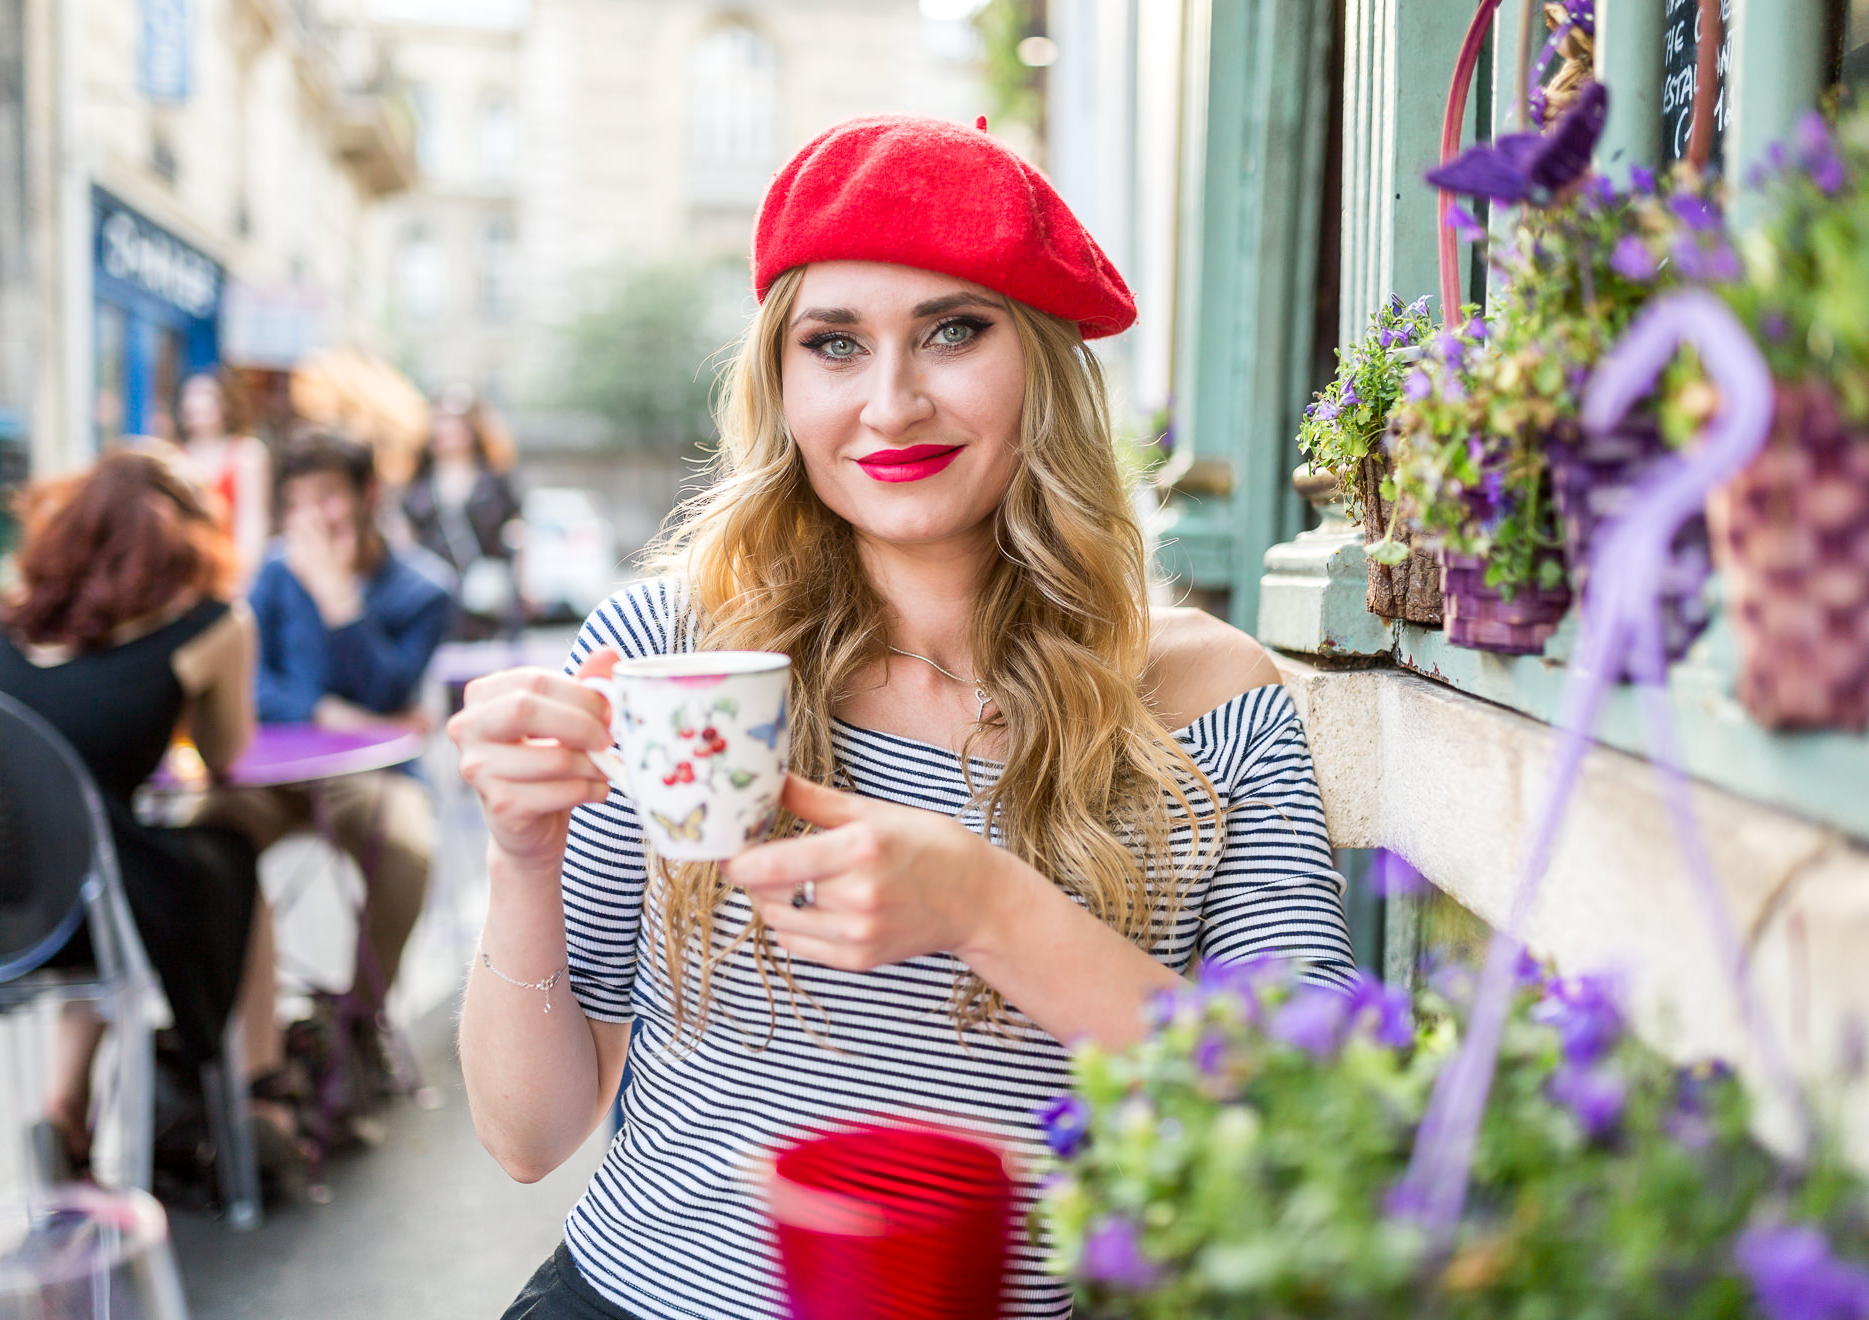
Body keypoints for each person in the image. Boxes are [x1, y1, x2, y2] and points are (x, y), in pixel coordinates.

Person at [450, 115, 1355, 1320]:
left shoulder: (1214, 704)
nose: (890, 402)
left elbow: (1311, 1112)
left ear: (1042, 363)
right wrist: (522, 856)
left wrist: (986, 907)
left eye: (953, 331)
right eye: (835, 343)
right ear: (782, 382)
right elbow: (528, 1136)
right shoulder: (675, 656)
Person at [0, 447, 297, 1176]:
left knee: (102, 866)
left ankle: (65, 1107)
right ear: (188, 538)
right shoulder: (213, 625)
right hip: (95, 908)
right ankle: (256, 1093)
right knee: (230, 857)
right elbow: (223, 756)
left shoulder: (5, 623)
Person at [201, 431, 452, 1025]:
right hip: (266, 774)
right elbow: (243, 678)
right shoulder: (273, 573)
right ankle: (223, 1034)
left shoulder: (426, 589)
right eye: (298, 502)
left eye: (328, 496)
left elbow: (391, 689)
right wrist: (323, 712)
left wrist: (339, 598)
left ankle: (358, 1027)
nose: (313, 517)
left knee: (408, 850)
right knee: (194, 838)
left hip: (368, 777)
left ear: (369, 494)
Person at [402, 384, 525, 642]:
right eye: (442, 420)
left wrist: (522, 586)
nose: (449, 429)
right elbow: (407, 541)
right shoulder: (418, 483)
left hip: (488, 601)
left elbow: (517, 532)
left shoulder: (494, 480)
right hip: (438, 599)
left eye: (457, 421)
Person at [175, 369, 271, 577]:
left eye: (205, 395)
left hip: (229, 571)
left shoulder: (246, 455)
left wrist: (246, 576)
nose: (196, 403)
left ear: (224, 404)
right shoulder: (175, 457)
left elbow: (252, 521)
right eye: (191, 396)